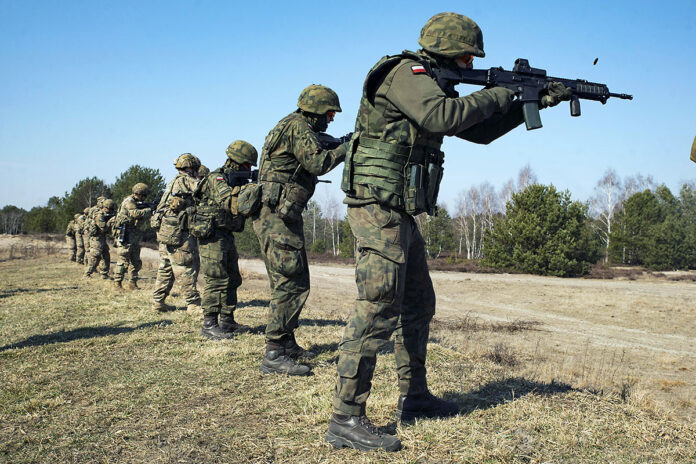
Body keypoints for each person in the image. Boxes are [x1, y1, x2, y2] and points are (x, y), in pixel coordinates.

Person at [326, 12, 572, 452]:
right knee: (378, 307)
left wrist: (528, 103)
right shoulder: (405, 72)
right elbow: (441, 117)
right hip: (376, 206)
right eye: (464, 55)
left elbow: (477, 132)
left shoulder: (436, 84)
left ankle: (414, 398)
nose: (466, 62)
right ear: (445, 49)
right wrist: (500, 91)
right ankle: (346, 417)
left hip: (399, 209)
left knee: (419, 304)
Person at [253, 84, 350, 376]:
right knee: (291, 282)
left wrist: (337, 141)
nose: (331, 118)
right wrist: (348, 147)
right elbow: (317, 163)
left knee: (292, 278)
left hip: (277, 215)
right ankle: (273, 353)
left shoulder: (290, 125)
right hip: (278, 217)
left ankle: (286, 342)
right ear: (317, 111)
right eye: (330, 113)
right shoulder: (298, 128)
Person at [193, 141, 256, 339]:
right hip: (212, 235)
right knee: (216, 279)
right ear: (236, 162)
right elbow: (229, 201)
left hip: (225, 233)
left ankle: (227, 320)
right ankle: (209, 324)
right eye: (247, 166)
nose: (249, 169)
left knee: (233, 277)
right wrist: (252, 190)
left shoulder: (235, 180)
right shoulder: (217, 178)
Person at [151, 153, 202, 312]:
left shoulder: (173, 182)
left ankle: (158, 302)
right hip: (178, 235)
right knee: (185, 266)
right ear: (190, 168)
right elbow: (204, 190)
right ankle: (193, 304)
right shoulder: (185, 181)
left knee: (166, 268)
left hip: (166, 234)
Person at [113, 183, 153, 289]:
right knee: (123, 259)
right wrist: (150, 210)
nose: (145, 198)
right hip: (125, 234)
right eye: (144, 195)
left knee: (136, 261)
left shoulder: (136, 202)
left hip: (133, 234)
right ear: (139, 194)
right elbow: (134, 213)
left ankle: (132, 283)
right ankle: (117, 283)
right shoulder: (129, 201)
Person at [84, 199, 115, 279]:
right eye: (110, 209)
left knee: (106, 256)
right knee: (95, 256)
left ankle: (104, 274)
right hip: (96, 239)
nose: (111, 211)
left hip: (102, 238)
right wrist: (110, 222)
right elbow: (103, 228)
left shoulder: (106, 215)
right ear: (105, 207)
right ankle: (87, 273)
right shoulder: (99, 215)